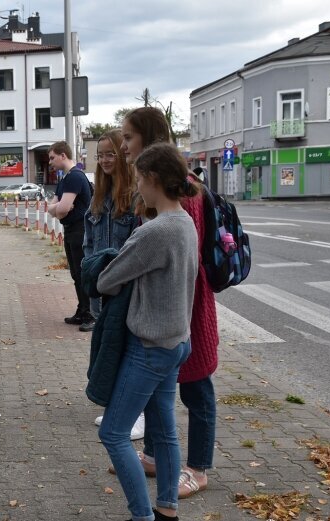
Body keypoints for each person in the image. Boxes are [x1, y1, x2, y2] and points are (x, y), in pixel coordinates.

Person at [97, 142, 199, 521]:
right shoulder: (185, 221)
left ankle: (143, 516)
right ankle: (167, 509)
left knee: (113, 433)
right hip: (177, 342)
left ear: (154, 179)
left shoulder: (154, 232)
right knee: (165, 431)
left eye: (139, 178)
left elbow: (106, 281)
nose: (136, 186)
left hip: (150, 347)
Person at [82, 129, 145, 441]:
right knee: (109, 348)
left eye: (110, 154)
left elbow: (139, 248)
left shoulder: (135, 197)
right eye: (100, 155)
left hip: (127, 289)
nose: (105, 160)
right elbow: (88, 244)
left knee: (129, 349)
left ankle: (137, 415)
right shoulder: (98, 197)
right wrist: (91, 279)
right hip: (103, 287)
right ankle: (116, 407)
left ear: (122, 155)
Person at [47, 141, 92, 326]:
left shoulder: (74, 177)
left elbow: (61, 209)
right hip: (71, 230)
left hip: (80, 230)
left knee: (82, 273)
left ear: (63, 155)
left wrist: (58, 208)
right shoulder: (65, 179)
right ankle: (82, 310)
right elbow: (52, 208)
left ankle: (89, 313)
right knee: (75, 273)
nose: (50, 162)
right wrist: (58, 208)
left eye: (52, 157)